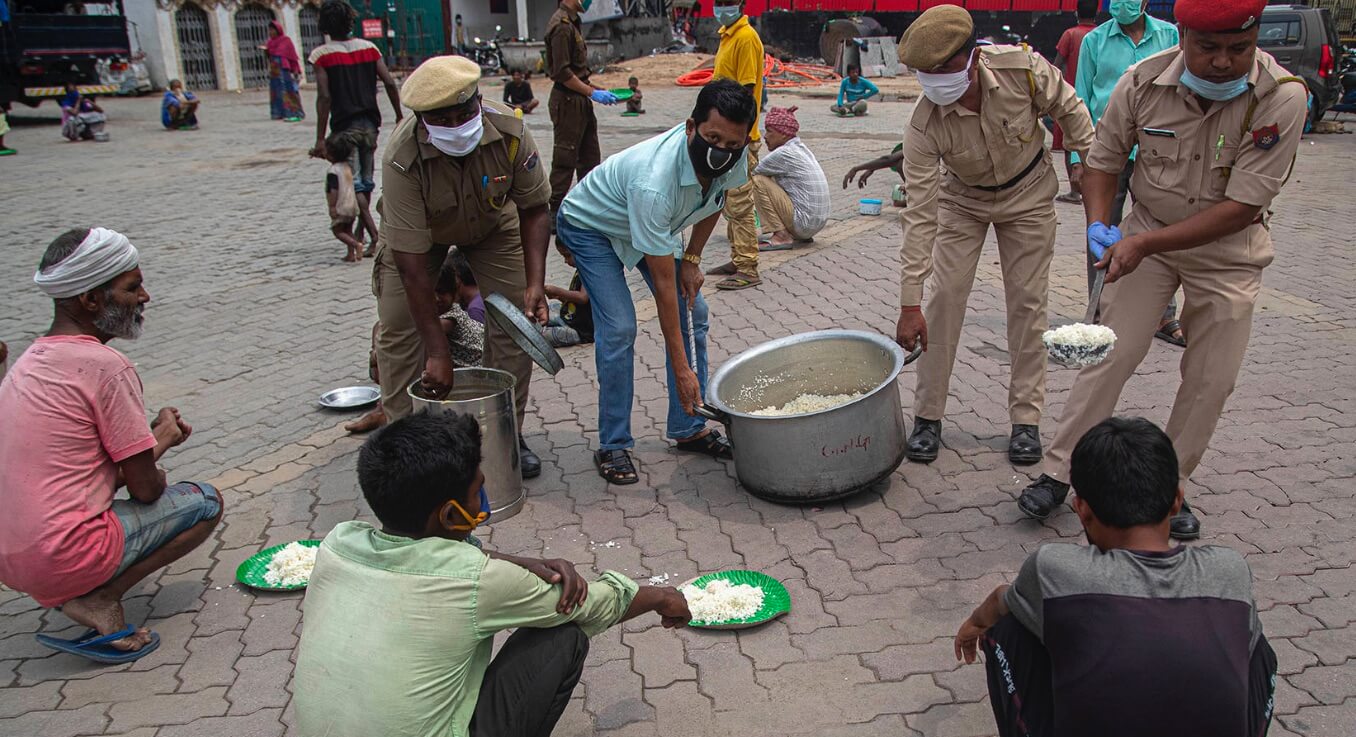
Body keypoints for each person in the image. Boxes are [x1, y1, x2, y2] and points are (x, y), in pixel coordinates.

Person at [1016, 0, 1307, 539]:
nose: (1223, 61)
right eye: (1209, 47)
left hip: (1229, 250)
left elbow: (1242, 206)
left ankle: (1169, 489)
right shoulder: (1142, 82)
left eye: (1239, 49)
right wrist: (1100, 224)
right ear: (1184, 35)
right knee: (1110, 353)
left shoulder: (1281, 97)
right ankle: (1061, 472)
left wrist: (1142, 243)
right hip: (1148, 232)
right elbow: (1103, 163)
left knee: (1211, 379)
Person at [293, 411, 692, 737]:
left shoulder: (336, 544)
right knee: (563, 635)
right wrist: (662, 597)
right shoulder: (477, 580)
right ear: (451, 515)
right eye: (477, 492)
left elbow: (439, 554)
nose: (482, 501)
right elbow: (588, 605)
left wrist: (520, 561)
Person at [957, 417, 1277, 737]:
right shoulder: (1230, 570)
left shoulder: (1053, 569)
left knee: (1011, 626)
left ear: (1081, 509)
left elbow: (1000, 600)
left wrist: (974, 623)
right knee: (1255, 644)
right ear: (1177, 501)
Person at [0, 227, 223, 663]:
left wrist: (151, 441)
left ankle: (69, 585)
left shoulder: (29, 362)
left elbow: (77, 474)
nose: (145, 297)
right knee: (205, 501)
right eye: (132, 287)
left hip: (11, 557)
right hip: (56, 554)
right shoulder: (105, 366)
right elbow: (147, 490)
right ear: (90, 300)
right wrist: (163, 438)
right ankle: (100, 598)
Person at [893, 6, 1094, 468]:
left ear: (973, 58)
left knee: (1027, 304)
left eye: (944, 68)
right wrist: (909, 303)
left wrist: (1086, 162)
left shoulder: (1022, 69)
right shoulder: (924, 124)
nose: (935, 81)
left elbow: (1071, 110)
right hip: (963, 201)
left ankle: (1026, 420)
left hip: (1028, 194)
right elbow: (920, 215)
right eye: (926, 73)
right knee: (944, 300)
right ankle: (927, 417)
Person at [557, 79, 755, 484]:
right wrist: (683, 370)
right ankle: (613, 444)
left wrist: (693, 259)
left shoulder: (735, 153)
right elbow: (665, 290)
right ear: (690, 127)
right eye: (712, 139)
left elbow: (716, 200)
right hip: (591, 225)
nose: (721, 150)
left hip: (645, 225)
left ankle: (688, 427)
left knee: (694, 310)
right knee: (619, 327)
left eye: (732, 144)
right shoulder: (655, 182)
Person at [373, 55, 551, 479]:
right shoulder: (402, 157)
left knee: (514, 321)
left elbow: (534, 208)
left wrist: (535, 283)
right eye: (442, 120)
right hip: (420, 236)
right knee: (399, 326)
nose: (456, 126)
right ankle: (406, 446)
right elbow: (412, 268)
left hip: (492, 224)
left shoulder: (510, 131)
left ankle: (505, 434)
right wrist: (438, 352)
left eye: (464, 113)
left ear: (479, 100)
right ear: (422, 120)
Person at [1075, 0, 1185, 347]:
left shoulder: (1169, 35)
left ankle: (1164, 313)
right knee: (1100, 229)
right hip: (1105, 150)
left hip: (1157, 148)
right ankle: (1098, 309)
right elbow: (1081, 97)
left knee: (1158, 226)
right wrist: (1079, 158)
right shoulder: (1094, 40)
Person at [309, 0, 402, 258]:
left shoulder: (321, 55)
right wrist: (398, 114)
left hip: (344, 128)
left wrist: (320, 138)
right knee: (366, 183)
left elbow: (324, 97)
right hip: (370, 125)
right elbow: (390, 83)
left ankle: (373, 236)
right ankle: (363, 234)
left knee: (354, 183)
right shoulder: (369, 49)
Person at [704, 0, 765, 291]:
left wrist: (737, 138)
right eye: (719, 2)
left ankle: (747, 268)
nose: (722, 7)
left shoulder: (746, 38)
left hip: (738, 139)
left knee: (740, 203)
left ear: (741, 3)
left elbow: (746, 92)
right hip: (726, 137)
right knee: (729, 200)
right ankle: (738, 258)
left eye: (727, 2)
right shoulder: (727, 35)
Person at [545, 0, 617, 230]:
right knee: (565, 158)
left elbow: (579, 73)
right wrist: (591, 92)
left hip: (579, 99)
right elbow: (562, 73)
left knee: (589, 158)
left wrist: (597, 90)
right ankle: (554, 212)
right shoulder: (561, 26)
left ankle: (587, 208)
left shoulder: (573, 22)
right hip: (567, 101)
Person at [752, 105, 829, 250]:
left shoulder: (783, 153)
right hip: (815, 225)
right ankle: (791, 232)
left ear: (783, 134)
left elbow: (752, 174)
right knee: (769, 177)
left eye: (769, 131)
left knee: (758, 181)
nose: (765, 136)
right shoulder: (801, 149)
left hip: (803, 224)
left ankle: (781, 236)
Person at [1051, 0, 1098, 203]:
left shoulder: (1070, 34)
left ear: (1076, 12)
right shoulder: (1101, 35)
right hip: (1096, 95)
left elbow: (1056, 66)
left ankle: (1075, 190)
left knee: (1070, 142)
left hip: (1071, 96)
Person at [436, 247, 487, 369]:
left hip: (477, 369)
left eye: (442, 292)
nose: (436, 298)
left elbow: (428, 330)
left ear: (454, 292)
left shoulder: (454, 315)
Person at [540, 240, 592, 347]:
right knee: (548, 309)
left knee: (541, 336)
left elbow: (583, 298)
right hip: (571, 317)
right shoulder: (580, 269)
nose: (565, 261)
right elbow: (577, 302)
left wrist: (557, 291)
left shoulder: (589, 270)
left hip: (581, 330)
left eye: (567, 256)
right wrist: (559, 297)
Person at [323, 130, 364, 263]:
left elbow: (333, 190)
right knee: (348, 230)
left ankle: (356, 245)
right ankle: (350, 254)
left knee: (338, 231)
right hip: (352, 205)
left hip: (341, 206)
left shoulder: (333, 171)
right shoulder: (347, 167)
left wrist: (332, 206)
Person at [262, 20, 305, 122]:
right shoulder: (270, 43)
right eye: (269, 30)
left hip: (284, 70)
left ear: (278, 30)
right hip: (274, 71)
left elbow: (292, 57)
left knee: (288, 91)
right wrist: (266, 51)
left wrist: (296, 70)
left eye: (272, 30)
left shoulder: (285, 41)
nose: (270, 32)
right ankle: (278, 113)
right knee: (276, 92)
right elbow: (269, 57)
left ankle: (294, 113)